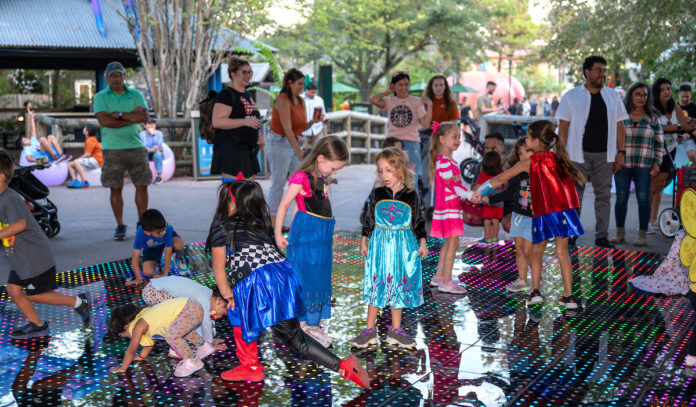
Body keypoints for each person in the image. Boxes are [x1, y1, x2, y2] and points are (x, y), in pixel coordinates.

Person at [207, 180, 370, 388]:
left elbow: (219, 267)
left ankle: (251, 367)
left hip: (259, 279)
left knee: (246, 316)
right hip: (284, 274)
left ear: (232, 203)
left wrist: (227, 293)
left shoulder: (222, 226)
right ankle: (343, 366)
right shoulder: (259, 224)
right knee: (292, 336)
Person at [474, 120, 586, 308]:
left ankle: (535, 292)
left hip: (544, 212)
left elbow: (502, 178)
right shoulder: (560, 158)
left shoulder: (530, 162)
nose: (525, 141)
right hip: (565, 212)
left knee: (537, 251)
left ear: (535, 140)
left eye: (527, 138)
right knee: (562, 252)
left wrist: (481, 192)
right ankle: (569, 298)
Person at [0, 149, 92, 339]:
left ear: (1, 177)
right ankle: (37, 324)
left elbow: (20, 224)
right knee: (13, 289)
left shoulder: (9, 198)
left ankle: (79, 302)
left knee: (35, 294)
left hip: (34, 256)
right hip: (20, 257)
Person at [274, 136, 349, 347]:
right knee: (304, 278)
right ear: (321, 157)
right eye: (334, 168)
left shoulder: (319, 177)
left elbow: (303, 206)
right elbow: (284, 205)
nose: (334, 172)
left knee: (318, 277)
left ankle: (313, 324)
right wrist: (280, 234)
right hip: (307, 239)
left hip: (320, 239)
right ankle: (304, 324)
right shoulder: (301, 177)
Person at [352, 148, 427, 348]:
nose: (385, 175)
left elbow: (418, 220)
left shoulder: (411, 195)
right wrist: (363, 239)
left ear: (401, 169)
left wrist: (422, 241)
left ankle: (395, 330)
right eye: (381, 171)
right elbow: (369, 218)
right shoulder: (377, 193)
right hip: (379, 246)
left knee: (398, 286)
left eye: (389, 170)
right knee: (377, 284)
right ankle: (370, 330)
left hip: (403, 247)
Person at [556, 55, 628, 248]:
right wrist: (561, 156)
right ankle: (570, 234)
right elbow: (563, 128)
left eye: (604, 70)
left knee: (604, 196)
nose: (602, 74)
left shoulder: (613, 96)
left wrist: (621, 152)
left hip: (605, 155)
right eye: (598, 70)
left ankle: (602, 236)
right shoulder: (571, 96)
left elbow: (620, 126)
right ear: (587, 72)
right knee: (573, 196)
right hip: (575, 155)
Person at [93, 61, 150, 240]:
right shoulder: (100, 97)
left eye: (119, 74)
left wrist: (117, 115)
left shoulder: (136, 94)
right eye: (112, 75)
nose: (116, 78)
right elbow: (104, 121)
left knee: (142, 185)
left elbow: (143, 117)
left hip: (136, 146)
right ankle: (120, 224)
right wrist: (130, 117)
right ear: (107, 77)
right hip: (112, 148)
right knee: (115, 188)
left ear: (124, 76)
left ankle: (142, 222)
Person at [610, 83, 663, 246]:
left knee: (643, 198)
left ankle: (641, 234)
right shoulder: (621, 115)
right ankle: (620, 232)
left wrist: (657, 163)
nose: (641, 98)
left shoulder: (653, 117)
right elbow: (612, 139)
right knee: (621, 198)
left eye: (644, 95)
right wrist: (614, 159)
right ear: (630, 96)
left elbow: (659, 143)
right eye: (637, 94)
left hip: (644, 164)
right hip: (622, 164)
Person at [428, 122, 478, 294]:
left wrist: (468, 194)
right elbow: (452, 186)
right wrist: (469, 195)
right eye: (454, 136)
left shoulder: (447, 161)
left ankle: (439, 275)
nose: (458, 140)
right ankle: (447, 281)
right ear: (442, 139)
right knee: (453, 243)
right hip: (449, 210)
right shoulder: (444, 163)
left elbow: (455, 186)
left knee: (449, 242)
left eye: (459, 137)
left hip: (450, 208)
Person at [268, 68, 323, 226]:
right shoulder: (282, 99)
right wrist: (299, 150)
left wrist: (313, 121)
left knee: (300, 181)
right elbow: (287, 128)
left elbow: (299, 128)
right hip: (278, 143)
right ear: (289, 83)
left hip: (293, 143)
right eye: (299, 84)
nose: (301, 87)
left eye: (302, 84)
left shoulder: (301, 101)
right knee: (278, 182)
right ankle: (273, 223)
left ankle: (298, 219)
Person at [109, 298, 209, 377]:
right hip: (192, 305)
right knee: (181, 331)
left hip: (188, 309)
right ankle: (204, 346)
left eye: (125, 335)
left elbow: (131, 350)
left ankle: (193, 360)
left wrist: (123, 368)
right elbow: (149, 343)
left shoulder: (138, 327)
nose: (130, 337)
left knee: (171, 336)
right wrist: (142, 356)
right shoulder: (145, 317)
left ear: (127, 326)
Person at [485, 138, 534, 293]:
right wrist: (488, 198)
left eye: (527, 151)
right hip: (518, 216)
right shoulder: (517, 174)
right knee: (519, 249)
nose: (523, 156)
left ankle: (536, 281)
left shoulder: (539, 172)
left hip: (534, 217)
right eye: (520, 153)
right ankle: (522, 280)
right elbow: (507, 193)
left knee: (529, 250)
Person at [140, 276, 228, 357]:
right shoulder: (204, 296)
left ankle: (176, 347)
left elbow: (197, 323)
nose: (220, 313)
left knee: (183, 319)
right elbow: (205, 322)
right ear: (219, 299)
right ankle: (175, 349)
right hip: (154, 291)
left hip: (153, 289)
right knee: (178, 319)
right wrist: (209, 343)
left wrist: (207, 340)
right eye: (224, 308)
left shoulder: (205, 293)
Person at [649, 78, 695, 232]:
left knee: (660, 185)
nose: (667, 91)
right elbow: (657, 128)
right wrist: (678, 127)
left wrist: (691, 124)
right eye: (663, 89)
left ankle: (653, 220)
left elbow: (684, 123)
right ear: (657, 92)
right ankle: (645, 221)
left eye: (668, 88)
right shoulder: (652, 107)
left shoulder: (675, 106)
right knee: (652, 186)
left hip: (671, 148)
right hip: (655, 149)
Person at [370, 71, 432, 179]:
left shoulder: (416, 102)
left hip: (412, 144)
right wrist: (388, 91)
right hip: (392, 143)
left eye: (406, 84)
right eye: (400, 85)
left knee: (412, 179)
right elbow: (373, 99)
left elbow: (426, 125)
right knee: (389, 178)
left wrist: (430, 106)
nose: (404, 88)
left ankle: (411, 196)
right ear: (394, 86)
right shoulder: (389, 101)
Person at [211, 57, 265, 182]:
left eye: (249, 72)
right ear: (233, 74)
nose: (248, 75)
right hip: (232, 150)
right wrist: (245, 122)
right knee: (233, 194)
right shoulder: (226, 95)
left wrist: (259, 137)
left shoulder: (248, 94)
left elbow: (252, 118)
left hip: (249, 150)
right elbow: (217, 122)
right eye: (244, 72)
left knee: (249, 194)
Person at [422, 75, 461, 207]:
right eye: (436, 85)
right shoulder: (426, 103)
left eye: (441, 85)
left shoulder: (451, 103)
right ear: (431, 87)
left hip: (445, 142)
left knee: (444, 175)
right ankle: (427, 206)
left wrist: (437, 125)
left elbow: (453, 124)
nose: (438, 88)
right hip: (428, 141)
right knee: (428, 174)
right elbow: (423, 124)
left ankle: (441, 205)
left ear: (445, 87)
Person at [127, 208, 188, 286]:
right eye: (160, 232)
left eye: (163, 228)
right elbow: (135, 257)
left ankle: (179, 259)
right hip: (152, 248)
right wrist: (138, 278)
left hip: (168, 244)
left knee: (179, 244)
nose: (164, 232)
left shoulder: (167, 229)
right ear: (147, 232)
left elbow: (168, 252)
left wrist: (165, 273)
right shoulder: (141, 232)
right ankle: (156, 260)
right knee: (147, 272)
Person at [476, 151, 504, 243]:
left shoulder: (482, 175)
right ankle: (495, 238)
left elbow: (478, 188)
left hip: (486, 202)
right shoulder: (501, 174)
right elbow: (505, 186)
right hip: (499, 202)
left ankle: (487, 238)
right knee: (496, 221)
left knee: (487, 222)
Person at [67, 124, 103, 188]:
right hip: (92, 161)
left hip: (96, 160)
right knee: (70, 164)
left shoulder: (90, 140)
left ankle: (85, 182)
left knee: (76, 162)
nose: (83, 129)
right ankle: (75, 180)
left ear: (87, 131)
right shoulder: (90, 139)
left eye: (84, 128)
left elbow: (87, 155)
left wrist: (77, 160)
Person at [139, 118, 164, 184]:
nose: (152, 125)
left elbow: (159, 144)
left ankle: (159, 177)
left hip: (155, 154)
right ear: (145, 126)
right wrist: (150, 150)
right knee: (140, 154)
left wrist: (153, 134)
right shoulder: (142, 134)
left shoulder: (159, 133)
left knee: (158, 154)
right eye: (149, 124)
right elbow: (141, 146)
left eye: (153, 123)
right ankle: (143, 176)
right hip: (146, 153)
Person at [677, 84, 696, 163]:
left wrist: (690, 135)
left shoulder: (694, 108)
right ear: (678, 95)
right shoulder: (674, 108)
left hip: (690, 138)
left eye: (687, 97)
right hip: (675, 136)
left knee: (692, 155)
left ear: (691, 95)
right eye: (682, 97)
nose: (684, 99)